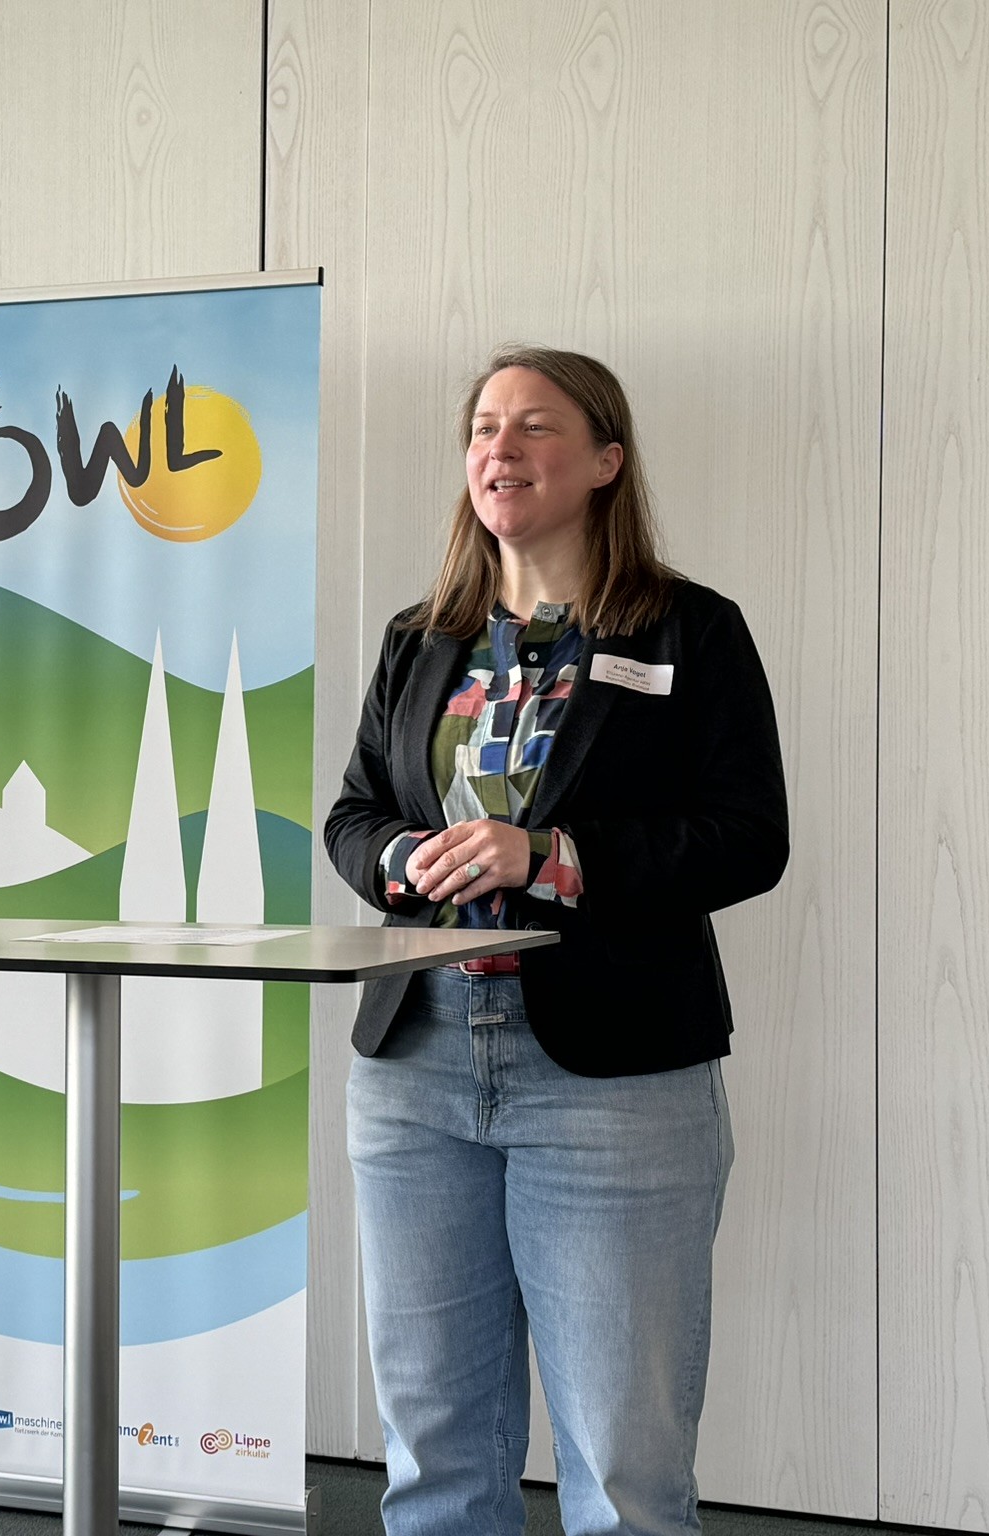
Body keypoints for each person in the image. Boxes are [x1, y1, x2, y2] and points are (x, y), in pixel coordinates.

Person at [323, 346, 787, 1536]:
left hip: (611, 1077)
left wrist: (549, 856)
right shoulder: (420, 637)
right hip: (413, 1063)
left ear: (603, 461)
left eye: (534, 426)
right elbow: (353, 813)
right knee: (432, 1454)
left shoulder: (687, 630)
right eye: (483, 427)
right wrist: (401, 859)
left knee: (621, 1472)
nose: (499, 448)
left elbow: (746, 839)